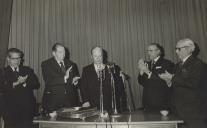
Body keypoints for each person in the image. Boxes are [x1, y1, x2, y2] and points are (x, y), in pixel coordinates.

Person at [159, 38, 207, 128]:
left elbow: (194, 83)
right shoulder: (178, 65)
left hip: (193, 113)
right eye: (175, 49)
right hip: (178, 110)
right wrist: (168, 81)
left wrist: (172, 77)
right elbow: (178, 83)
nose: (176, 52)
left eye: (179, 49)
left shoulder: (198, 64)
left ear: (189, 49)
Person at [0, 48, 40, 128]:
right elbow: (1, 87)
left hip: (27, 110)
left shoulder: (27, 70)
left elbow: (36, 84)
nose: (16, 61)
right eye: (13, 58)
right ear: (8, 59)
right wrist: (16, 83)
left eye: (18, 58)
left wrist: (25, 82)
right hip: (10, 111)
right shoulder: (2, 72)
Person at [80, 46, 125, 113]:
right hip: (92, 105)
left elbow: (118, 87)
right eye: (95, 56)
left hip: (109, 106)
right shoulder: (86, 70)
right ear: (91, 56)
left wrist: (120, 78)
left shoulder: (111, 68)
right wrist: (85, 101)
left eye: (100, 56)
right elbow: (83, 87)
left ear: (103, 56)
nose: (98, 58)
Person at [41, 43, 80, 115]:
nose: (63, 54)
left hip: (70, 102)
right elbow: (48, 81)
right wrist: (65, 78)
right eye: (60, 52)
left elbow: (76, 84)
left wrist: (75, 82)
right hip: (54, 102)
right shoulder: (46, 64)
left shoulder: (71, 64)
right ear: (54, 53)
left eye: (64, 51)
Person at [138, 43, 174, 112]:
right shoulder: (147, 64)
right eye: (148, 51)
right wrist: (141, 72)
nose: (149, 53)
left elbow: (163, 81)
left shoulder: (166, 63)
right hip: (147, 103)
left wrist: (147, 71)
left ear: (158, 51)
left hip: (161, 103)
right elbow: (141, 82)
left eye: (151, 51)